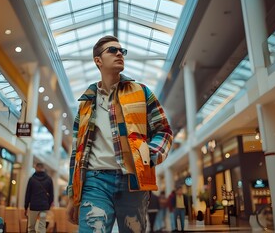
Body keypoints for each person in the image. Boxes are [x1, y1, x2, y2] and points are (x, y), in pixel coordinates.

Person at [66, 35, 173, 232]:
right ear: (98, 61)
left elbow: (164, 130)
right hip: (94, 181)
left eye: (121, 51)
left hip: (132, 180)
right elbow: (76, 153)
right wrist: (73, 195)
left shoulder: (141, 92)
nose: (119, 54)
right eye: (112, 50)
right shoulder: (86, 104)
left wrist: (148, 155)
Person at [24, 162, 54, 233]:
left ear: (36, 168)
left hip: (33, 207)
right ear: (43, 169)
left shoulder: (31, 179)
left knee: (31, 227)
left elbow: (27, 194)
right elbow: (52, 195)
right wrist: (48, 206)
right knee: (42, 226)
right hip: (43, 208)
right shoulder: (49, 179)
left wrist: (25, 207)